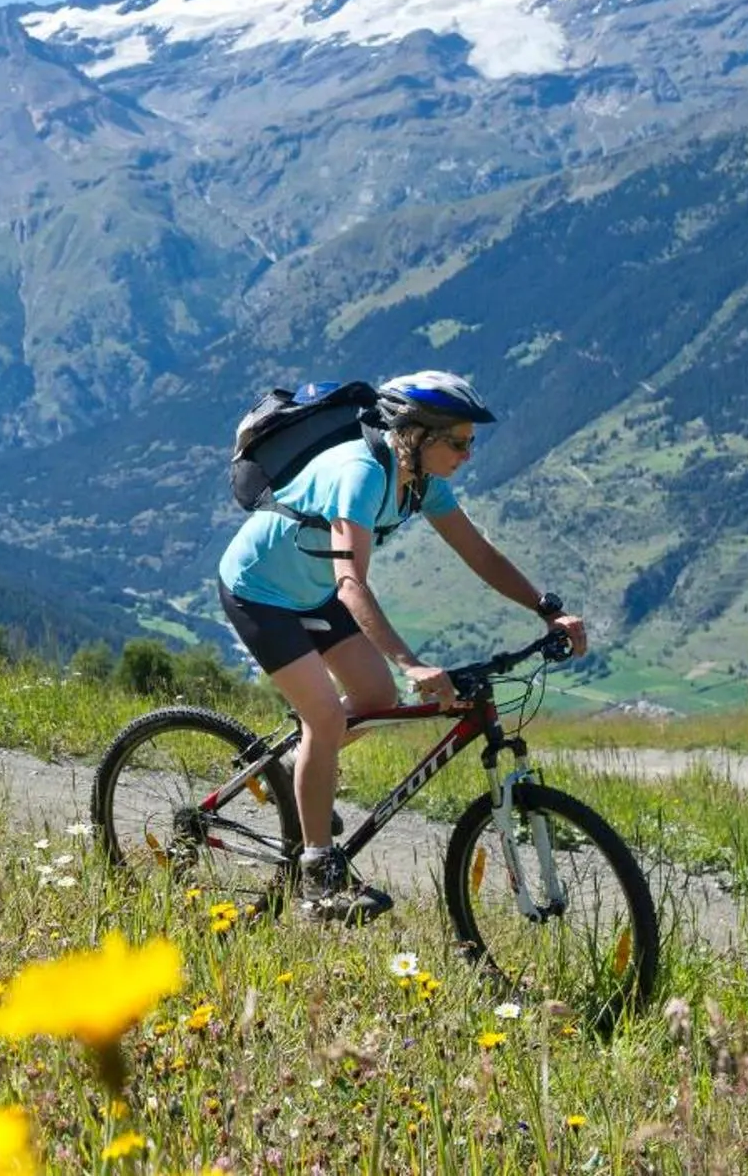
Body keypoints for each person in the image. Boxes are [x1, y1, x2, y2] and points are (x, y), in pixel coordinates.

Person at [217, 370, 587, 922]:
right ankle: (318, 880)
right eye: (457, 443)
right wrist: (411, 663)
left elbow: (480, 555)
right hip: (259, 591)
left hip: (314, 591)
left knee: (375, 696)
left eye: (470, 443)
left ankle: (294, 770)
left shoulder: (422, 481)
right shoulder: (361, 474)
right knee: (324, 715)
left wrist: (547, 609)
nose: (467, 455)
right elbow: (352, 585)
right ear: (415, 435)